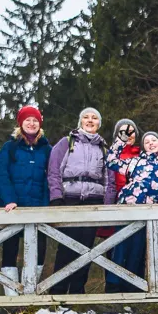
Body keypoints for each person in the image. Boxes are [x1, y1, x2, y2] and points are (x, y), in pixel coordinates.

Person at [47, 108, 114, 295]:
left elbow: (109, 180)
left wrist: (107, 207)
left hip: (94, 202)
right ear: (80, 121)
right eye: (86, 117)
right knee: (66, 248)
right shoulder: (66, 143)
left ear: (99, 123)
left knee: (86, 249)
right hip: (70, 200)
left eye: (94, 118)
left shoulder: (104, 148)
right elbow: (54, 172)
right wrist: (56, 198)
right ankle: (57, 291)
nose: (90, 120)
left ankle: (78, 291)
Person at [0, 106, 51, 295]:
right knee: (10, 248)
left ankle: (30, 292)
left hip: (38, 208)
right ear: (21, 123)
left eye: (35, 120)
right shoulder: (10, 147)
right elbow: (1, 174)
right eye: (28, 120)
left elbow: (51, 177)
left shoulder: (47, 149)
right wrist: (9, 199)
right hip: (13, 207)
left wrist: (46, 204)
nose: (31, 123)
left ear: (40, 124)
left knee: (39, 249)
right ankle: (11, 295)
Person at [105, 118, 143, 293]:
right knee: (115, 248)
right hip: (115, 206)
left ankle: (135, 288)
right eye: (124, 131)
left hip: (140, 207)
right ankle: (113, 288)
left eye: (131, 131)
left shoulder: (142, 155)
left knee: (137, 248)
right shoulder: (111, 154)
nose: (128, 135)